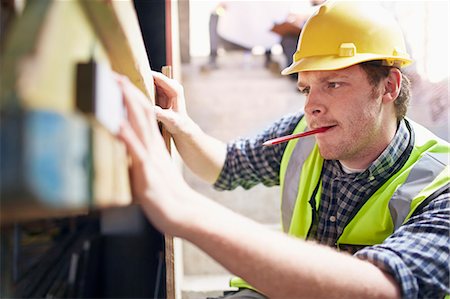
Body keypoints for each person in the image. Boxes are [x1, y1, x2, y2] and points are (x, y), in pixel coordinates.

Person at [116, 1, 450, 298]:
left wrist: (185, 208)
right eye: (306, 88)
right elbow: (225, 166)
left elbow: (384, 288)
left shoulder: (440, 186)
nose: (311, 107)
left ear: (388, 86)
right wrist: (183, 125)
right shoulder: (303, 134)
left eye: (333, 84)